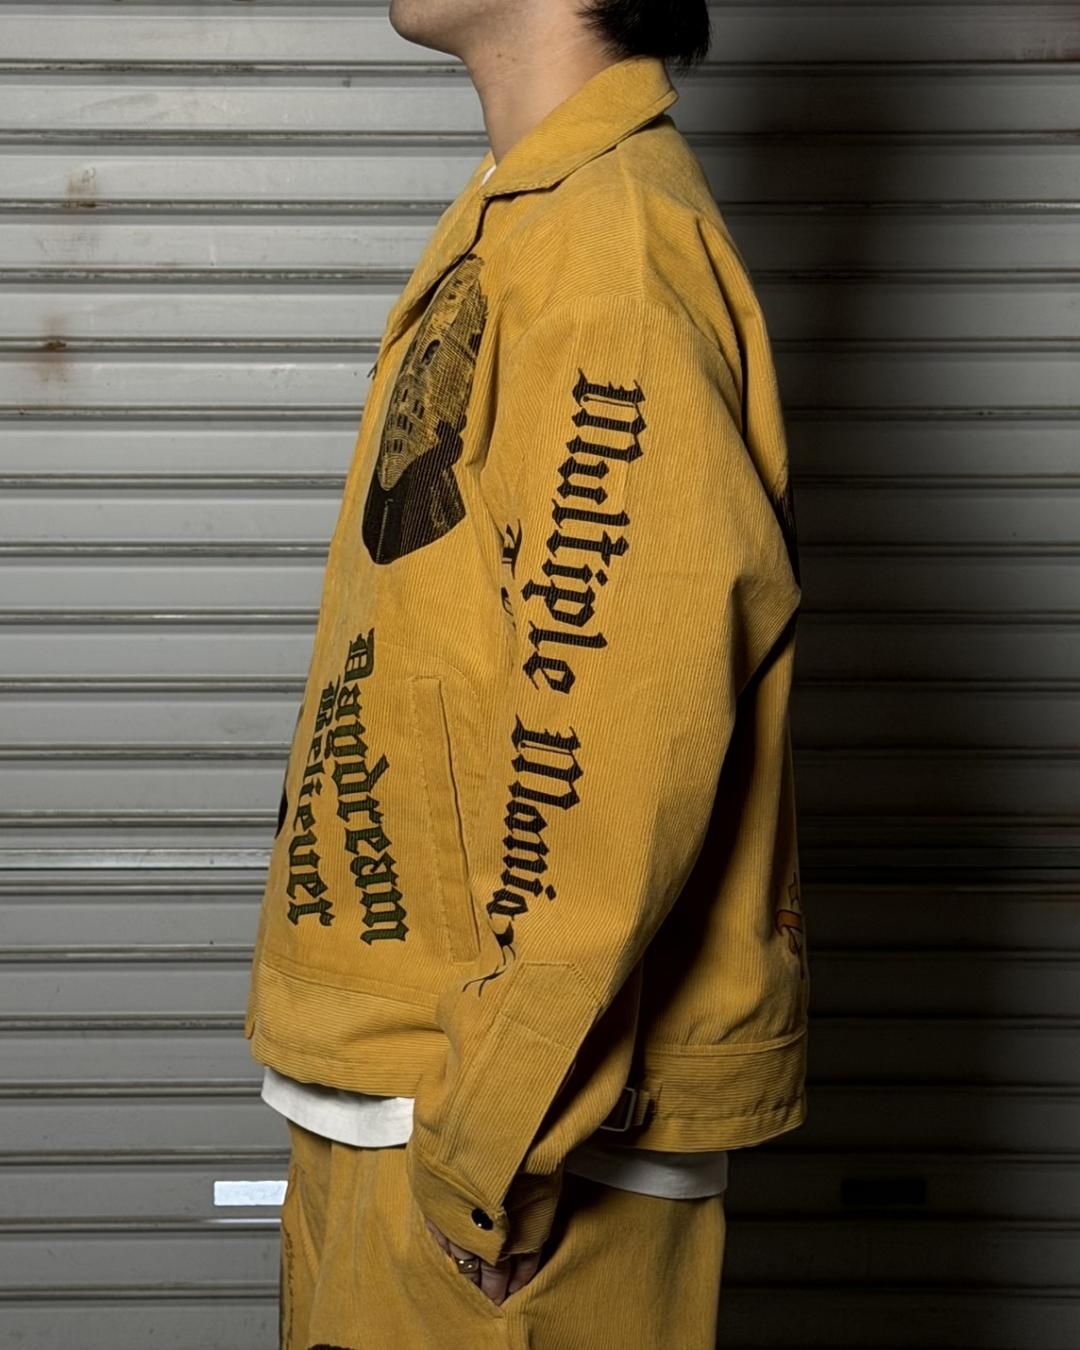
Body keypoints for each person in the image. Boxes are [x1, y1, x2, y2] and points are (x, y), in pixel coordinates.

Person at [242, 0, 809, 1345]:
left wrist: (498, 1139)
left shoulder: (610, 248)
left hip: (497, 1158)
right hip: (408, 1098)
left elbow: (625, 727)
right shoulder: (530, 213)